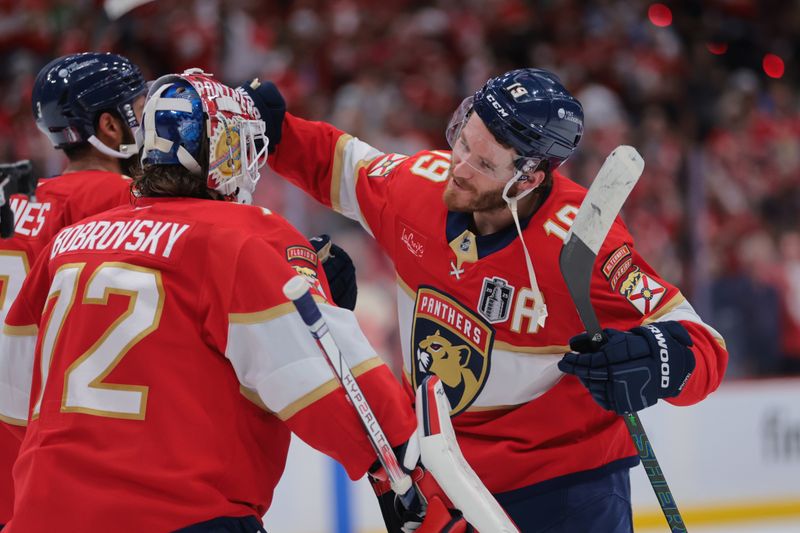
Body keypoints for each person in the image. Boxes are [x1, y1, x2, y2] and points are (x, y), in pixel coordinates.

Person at [249, 68, 729, 532]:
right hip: (446, 482)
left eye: (482, 164)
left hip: (563, 488)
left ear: (528, 178)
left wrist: (655, 360)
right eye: (462, 141)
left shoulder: (584, 241)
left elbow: (702, 342)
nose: (457, 167)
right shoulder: (422, 186)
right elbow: (340, 163)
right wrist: (274, 129)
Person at [0, 68, 436, 532]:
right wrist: (398, 469)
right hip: (179, 513)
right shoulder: (243, 236)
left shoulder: (71, 242)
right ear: (224, 152)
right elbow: (324, 379)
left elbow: (15, 390)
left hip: (41, 514)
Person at [0, 52, 148, 528]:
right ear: (109, 126)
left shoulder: (16, 198)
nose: (150, 121)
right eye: (139, 109)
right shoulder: (127, 204)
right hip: (55, 453)